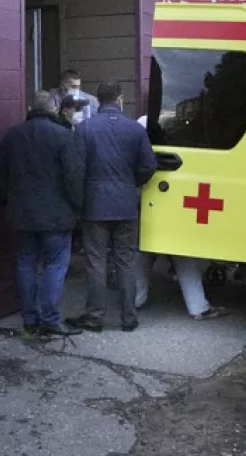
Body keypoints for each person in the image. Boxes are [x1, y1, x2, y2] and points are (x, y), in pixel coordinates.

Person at [68, 81, 158, 332]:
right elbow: (149, 166)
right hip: (126, 203)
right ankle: (129, 317)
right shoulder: (135, 130)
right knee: (126, 261)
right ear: (120, 99)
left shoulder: (84, 129)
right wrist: (131, 184)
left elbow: (75, 171)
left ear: (98, 100)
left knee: (96, 261)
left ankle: (95, 316)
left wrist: (78, 203)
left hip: (94, 205)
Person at [0, 90, 84, 337]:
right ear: (54, 109)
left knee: (25, 264)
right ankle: (51, 319)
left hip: (21, 214)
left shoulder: (11, 137)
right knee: (55, 266)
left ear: (30, 107)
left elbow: (0, 176)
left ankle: (30, 319)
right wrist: (78, 208)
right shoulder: (64, 137)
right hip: (56, 216)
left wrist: (9, 202)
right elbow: (73, 178)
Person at [133, 115, 229, 321]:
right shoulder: (175, 149)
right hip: (172, 207)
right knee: (182, 255)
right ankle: (198, 306)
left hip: (148, 206)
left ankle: (134, 299)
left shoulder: (139, 144)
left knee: (142, 253)